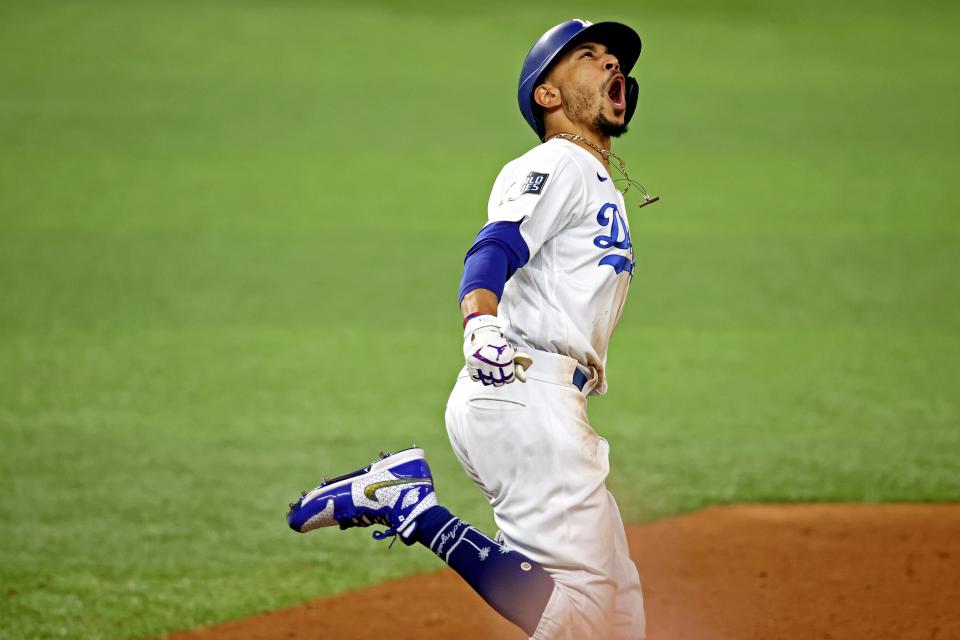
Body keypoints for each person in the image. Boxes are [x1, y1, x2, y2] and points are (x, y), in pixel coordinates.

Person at [286, 19, 654, 639]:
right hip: (523, 390)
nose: (612, 65)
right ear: (548, 95)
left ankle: (407, 501)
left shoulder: (593, 179)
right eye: (589, 57)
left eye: (615, 59)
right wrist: (479, 322)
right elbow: (495, 246)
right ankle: (412, 508)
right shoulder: (556, 162)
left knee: (618, 617)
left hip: (543, 400)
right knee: (587, 623)